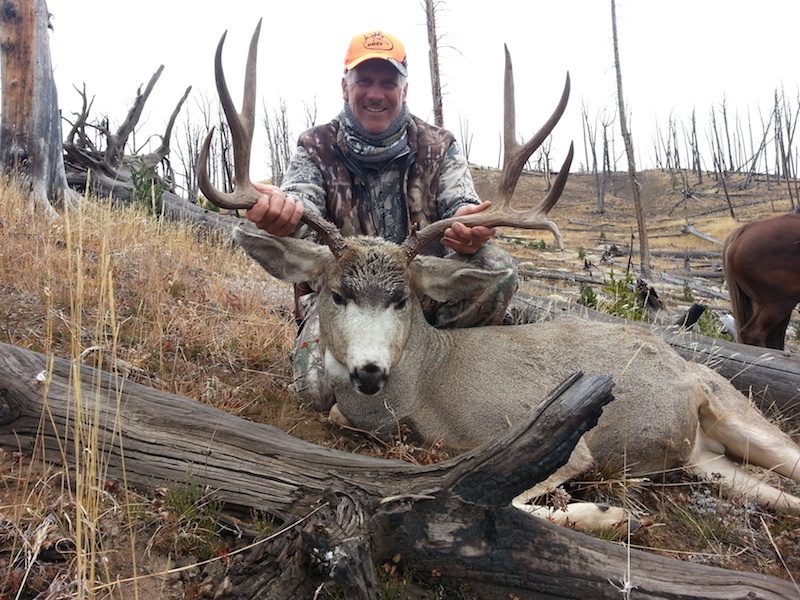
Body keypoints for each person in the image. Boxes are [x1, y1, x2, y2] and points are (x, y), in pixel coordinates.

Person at [246, 30, 518, 411]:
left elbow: (462, 203)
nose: (376, 93)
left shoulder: (439, 145)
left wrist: (469, 223)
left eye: (388, 83)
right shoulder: (315, 146)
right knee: (316, 396)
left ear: (404, 90)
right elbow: (300, 203)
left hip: (415, 294)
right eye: (364, 81)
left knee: (497, 267)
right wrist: (283, 215)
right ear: (345, 87)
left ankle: (443, 369)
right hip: (344, 302)